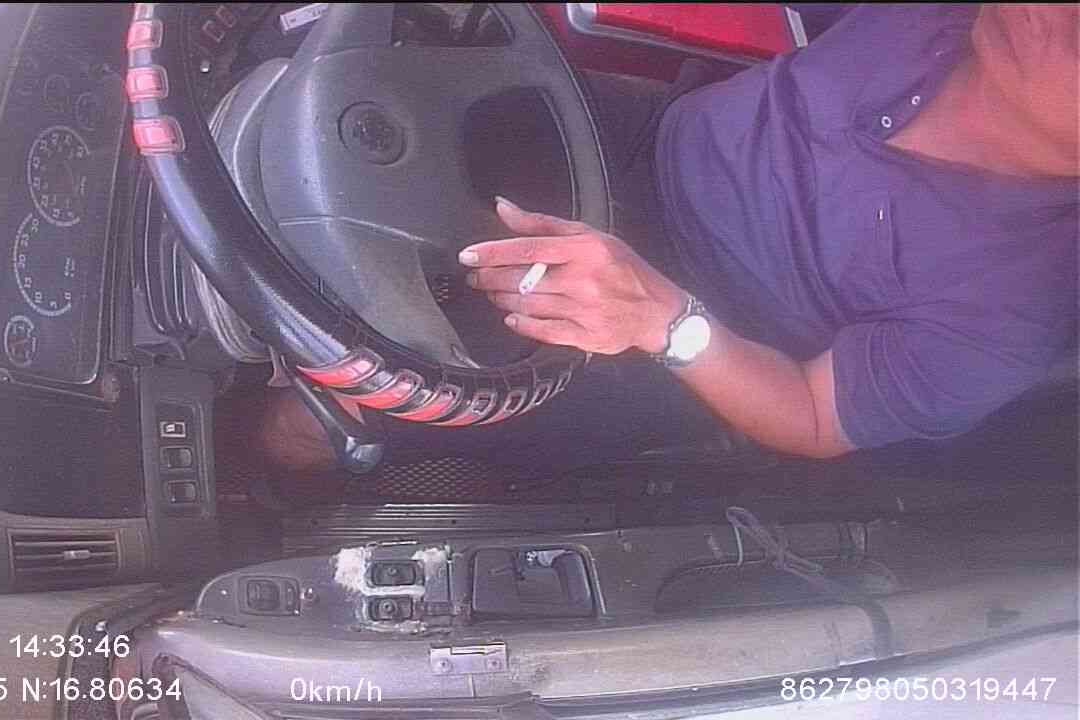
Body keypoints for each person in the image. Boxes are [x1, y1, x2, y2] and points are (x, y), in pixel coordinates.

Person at [256, 4, 1078, 474]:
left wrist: (667, 323)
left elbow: (816, 417)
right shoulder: (952, 15)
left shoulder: (1012, 310)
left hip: (683, 335)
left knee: (349, 400)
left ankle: (234, 465)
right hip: (641, 133)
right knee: (365, 95)